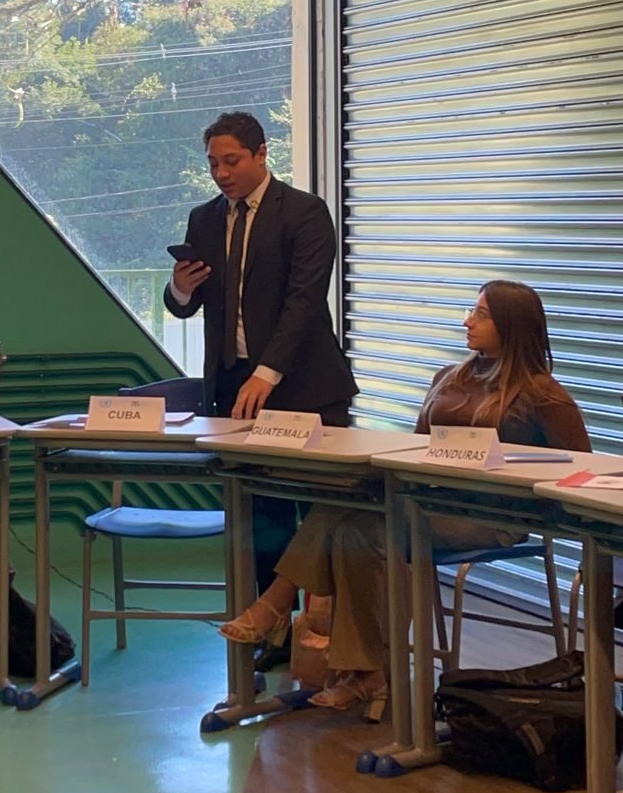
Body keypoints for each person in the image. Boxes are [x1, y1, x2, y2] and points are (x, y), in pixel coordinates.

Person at [220, 280, 591, 717]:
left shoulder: (543, 395)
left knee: (364, 527)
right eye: (471, 311)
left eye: (481, 314)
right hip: (430, 503)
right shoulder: (450, 377)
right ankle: (364, 672)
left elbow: (579, 467)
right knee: (350, 516)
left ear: (512, 325)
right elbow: (418, 447)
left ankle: (278, 606)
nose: (467, 321)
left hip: (492, 518)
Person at [164, 111, 357, 637]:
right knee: (262, 518)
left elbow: (304, 302)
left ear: (261, 154)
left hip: (305, 387)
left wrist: (266, 373)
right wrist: (181, 286)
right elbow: (184, 305)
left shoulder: (304, 212)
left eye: (231, 161)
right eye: (213, 164)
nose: (221, 174)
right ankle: (275, 633)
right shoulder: (204, 219)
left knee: (319, 512)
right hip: (234, 386)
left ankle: (329, 638)